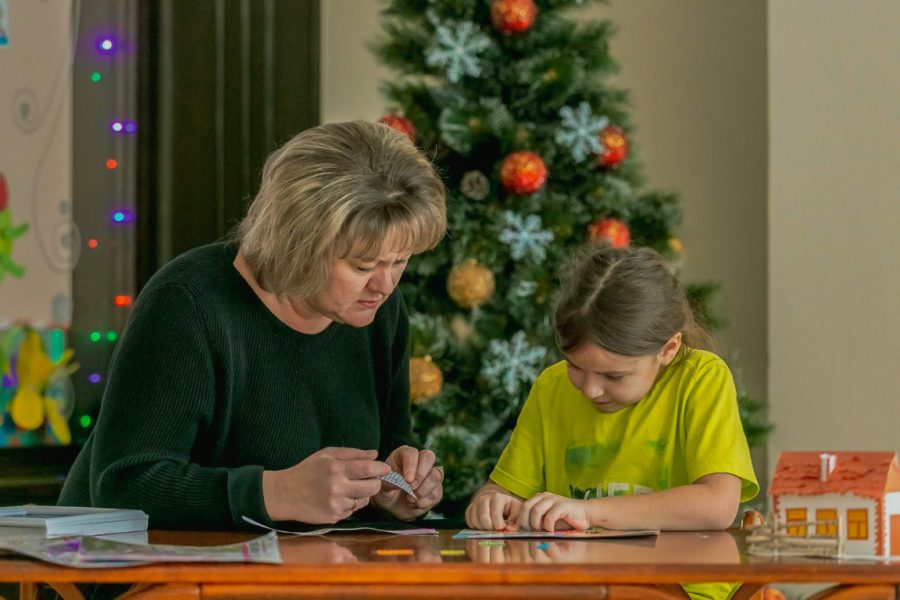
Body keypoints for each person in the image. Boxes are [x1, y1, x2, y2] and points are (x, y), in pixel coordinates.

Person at [59, 121, 447, 529]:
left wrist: (398, 484)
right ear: (298, 242)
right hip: (148, 577)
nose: (384, 285)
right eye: (363, 265)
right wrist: (276, 493)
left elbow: (388, 446)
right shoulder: (187, 303)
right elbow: (123, 486)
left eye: (400, 261)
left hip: (305, 573)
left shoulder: (379, 311)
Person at [465, 244, 758, 532]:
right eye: (575, 367)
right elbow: (505, 490)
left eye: (615, 376)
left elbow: (718, 505)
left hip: (678, 578)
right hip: (581, 577)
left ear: (668, 349)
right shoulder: (551, 386)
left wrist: (589, 512)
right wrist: (491, 501)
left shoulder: (700, 377)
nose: (591, 390)